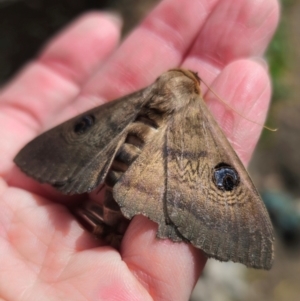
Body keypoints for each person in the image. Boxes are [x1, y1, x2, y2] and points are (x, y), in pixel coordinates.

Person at [0, 0, 279, 300]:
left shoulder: (142, 96)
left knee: (87, 126)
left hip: (111, 162)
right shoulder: (199, 117)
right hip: (146, 182)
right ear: (197, 91)